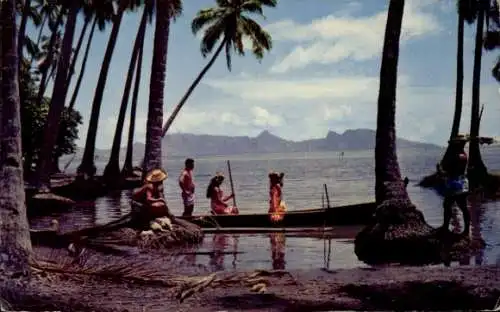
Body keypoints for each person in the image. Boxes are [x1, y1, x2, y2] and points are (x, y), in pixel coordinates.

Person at [440, 134, 470, 235]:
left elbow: (448, 169)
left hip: (454, 183)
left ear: (456, 143)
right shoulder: (463, 154)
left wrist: (441, 171)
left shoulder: (456, 155)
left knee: (447, 205)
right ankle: (466, 231)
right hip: (463, 182)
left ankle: (445, 227)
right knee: (463, 206)